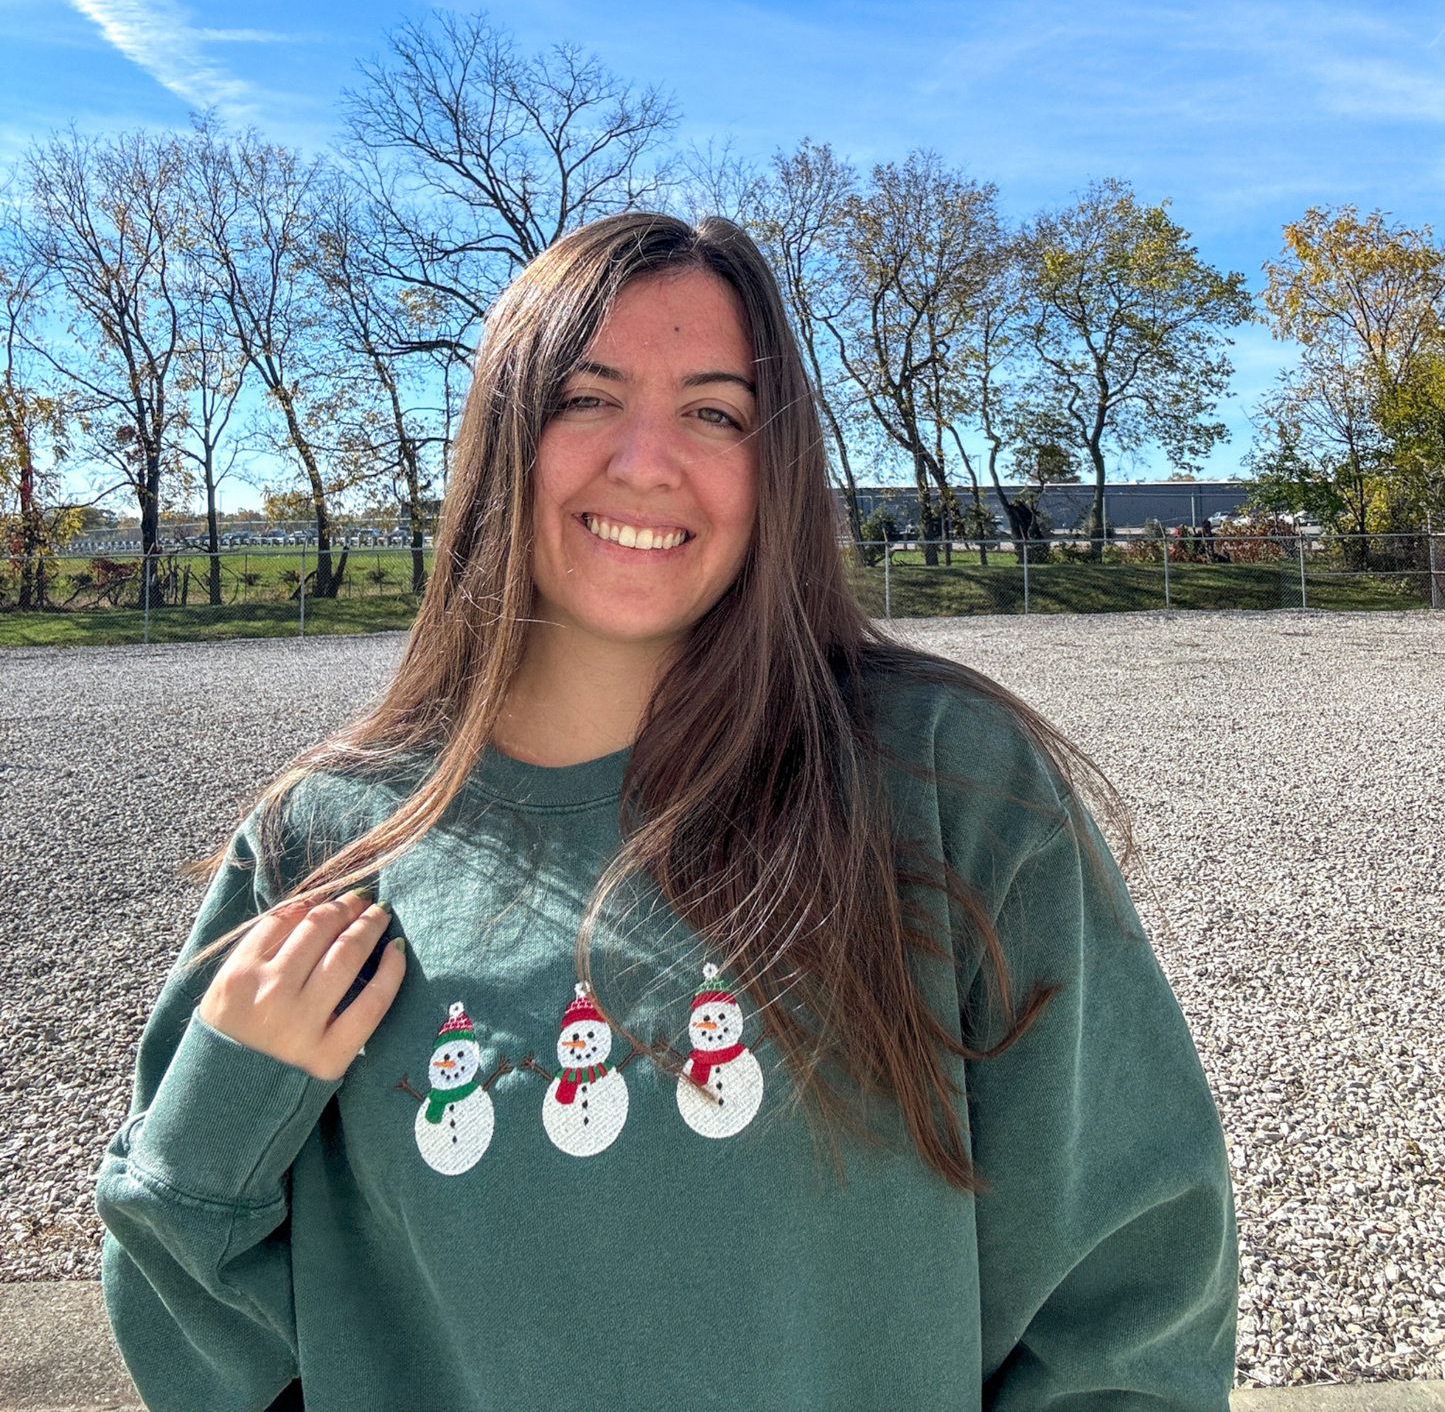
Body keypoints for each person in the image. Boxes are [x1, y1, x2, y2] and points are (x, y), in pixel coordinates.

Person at [98, 213, 1237, 1412]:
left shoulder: (945, 782)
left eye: (713, 412)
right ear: (503, 437)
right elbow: (208, 1351)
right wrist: (215, 1114)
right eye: (585, 398)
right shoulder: (327, 842)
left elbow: (1127, 1304)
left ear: (774, 466)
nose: (646, 460)